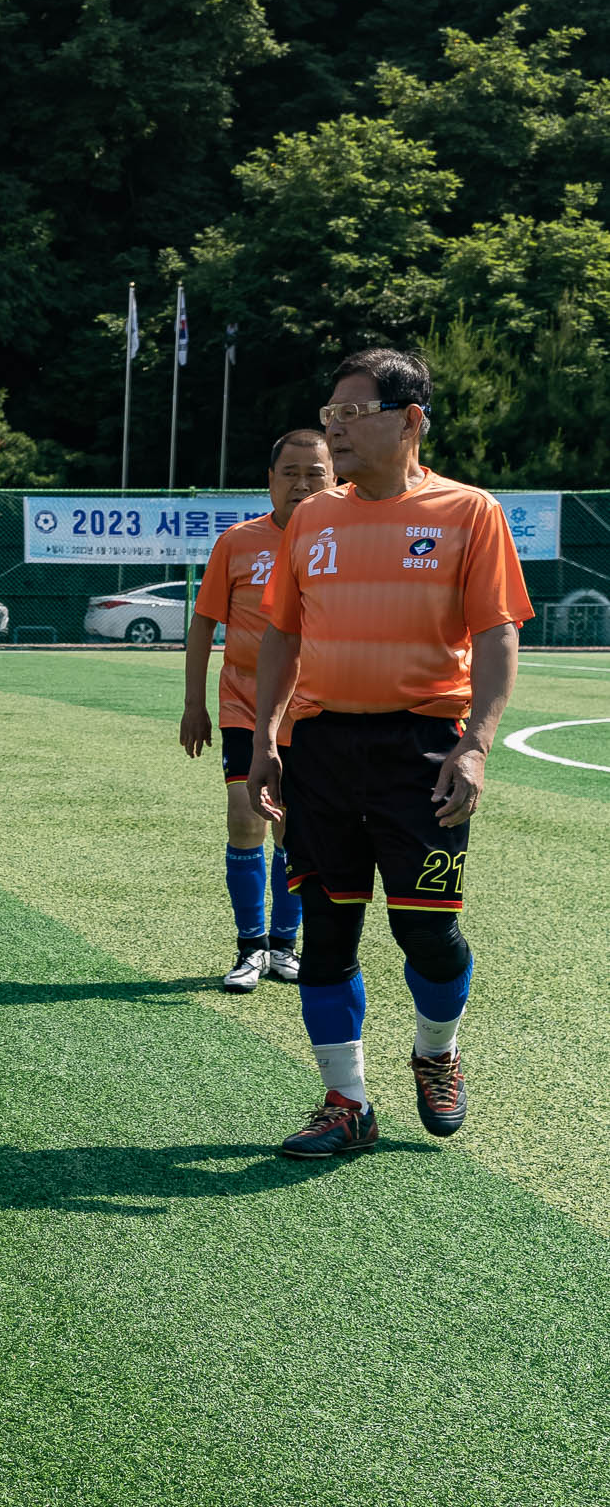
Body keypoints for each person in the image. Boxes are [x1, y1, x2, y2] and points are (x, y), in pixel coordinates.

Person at [250, 348, 532, 1159]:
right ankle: (348, 1103)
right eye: (330, 414)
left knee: (428, 935)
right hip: (324, 750)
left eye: (351, 413)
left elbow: (497, 632)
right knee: (327, 935)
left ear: (409, 420)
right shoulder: (312, 517)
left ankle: (437, 1054)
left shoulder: (468, 511)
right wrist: (269, 735)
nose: (334, 428)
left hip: (425, 750)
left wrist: (476, 744)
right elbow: (283, 633)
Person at [182, 430, 331, 990]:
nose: (301, 484)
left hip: (314, 708)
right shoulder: (237, 543)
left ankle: (285, 944)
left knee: (293, 826)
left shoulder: (344, 541)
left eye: (314, 473)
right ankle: (250, 947)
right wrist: (194, 704)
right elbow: (203, 624)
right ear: (270, 482)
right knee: (246, 816)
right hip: (245, 702)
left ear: (334, 477)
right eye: (289, 472)